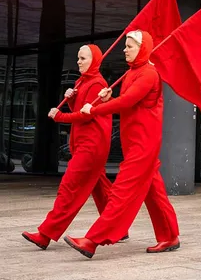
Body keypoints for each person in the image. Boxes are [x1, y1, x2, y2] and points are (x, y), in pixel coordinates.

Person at [64, 31, 180, 258]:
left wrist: (95, 108)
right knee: (154, 192)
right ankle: (169, 236)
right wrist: (108, 98)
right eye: (125, 46)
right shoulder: (133, 73)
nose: (125, 50)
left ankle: (92, 240)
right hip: (135, 143)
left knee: (121, 191)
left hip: (143, 146)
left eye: (129, 46)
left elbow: (127, 101)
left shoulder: (148, 74)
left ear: (142, 48)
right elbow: (129, 103)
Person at [22, 45, 124, 249]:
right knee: (101, 188)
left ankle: (46, 234)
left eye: (83, 58)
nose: (78, 61)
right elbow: (79, 109)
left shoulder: (96, 84)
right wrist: (72, 99)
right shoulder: (83, 81)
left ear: (94, 61)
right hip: (86, 145)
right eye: (78, 58)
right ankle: (118, 227)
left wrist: (60, 117)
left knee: (69, 188)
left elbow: (86, 117)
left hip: (91, 146)